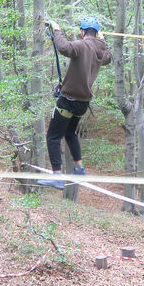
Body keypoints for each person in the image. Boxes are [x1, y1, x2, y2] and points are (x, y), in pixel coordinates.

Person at [37, 16, 112, 190]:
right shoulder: (102, 50)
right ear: (97, 33)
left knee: (53, 137)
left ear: (83, 31)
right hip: (83, 103)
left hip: (69, 100)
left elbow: (63, 47)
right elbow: (108, 56)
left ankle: (57, 176)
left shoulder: (81, 45)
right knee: (70, 133)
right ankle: (79, 169)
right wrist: (103, 40)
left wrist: (56, 29)